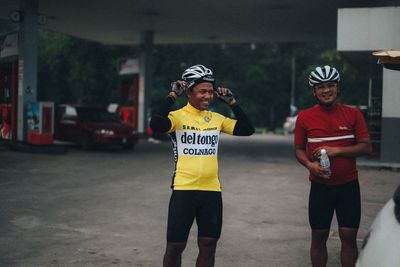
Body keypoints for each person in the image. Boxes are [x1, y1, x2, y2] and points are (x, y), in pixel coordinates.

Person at [150, 64, 254, 267]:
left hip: (211, 190)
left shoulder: (216, 119)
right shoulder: (177, 117)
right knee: (175, 247)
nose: (208, 96)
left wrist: (232, 102)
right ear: (188, 92)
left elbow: (247, 129)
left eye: (210, 91)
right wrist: (172, 95)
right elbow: (155, 124)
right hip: (183, 190)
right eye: (202, 91)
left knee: (209, 244)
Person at [294, 65, 372, 267]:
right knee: (319, 237)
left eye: (330, 85)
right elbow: (299, 150)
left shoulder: (353, 114)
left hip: (348, 186)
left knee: (348, 236)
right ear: (314, 91)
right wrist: (311, 166)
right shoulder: (304, 117)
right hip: (320, 187)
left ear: (338, 88)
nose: (326, 90)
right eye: (320, 87)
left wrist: (336, 151)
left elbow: (366, 147)